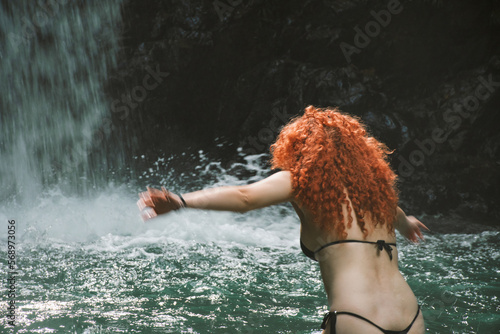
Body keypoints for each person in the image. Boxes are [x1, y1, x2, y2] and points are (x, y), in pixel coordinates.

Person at [137, 105, 428, 334]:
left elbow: (245, 197)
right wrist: (408, 225)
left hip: (358, 318)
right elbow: (397, 215)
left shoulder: (302, 181)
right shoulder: (376, 192)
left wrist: (182, 201)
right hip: (410, 316)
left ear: (299, 150)